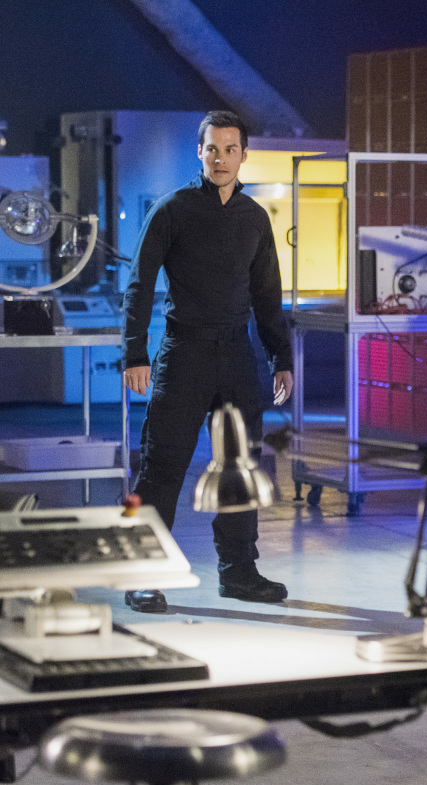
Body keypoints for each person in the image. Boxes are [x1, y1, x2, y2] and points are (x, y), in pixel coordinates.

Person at [121, 110, 294, 613]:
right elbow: (140, 284)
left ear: (244, 155)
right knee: (161, 467)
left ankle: (238, 572)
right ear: (199, 152)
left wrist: (280, 356)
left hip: (237, 355)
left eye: (230, 150)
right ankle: (140, 575)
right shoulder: (172, 209)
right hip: (184, 354)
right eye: (212, 149)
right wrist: (135, 353)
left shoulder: (254, 217)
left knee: (240, 466)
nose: (220, 159)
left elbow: (267, 294)